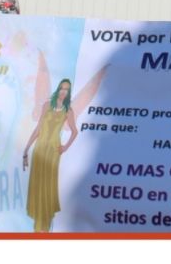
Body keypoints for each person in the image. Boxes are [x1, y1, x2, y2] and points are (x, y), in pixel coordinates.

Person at [21, 53, 108, 232]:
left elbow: (74, 131)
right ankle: (37, 227)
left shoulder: (68, 111)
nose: (63, 92)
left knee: (47, 187)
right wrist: (27, 148)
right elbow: (38, 128)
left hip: (53, 150)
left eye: (66, 90)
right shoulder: (46, 106)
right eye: (62, 88)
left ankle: (45, 226)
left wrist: (65, 147)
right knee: (37, 186)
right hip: (40, 149)